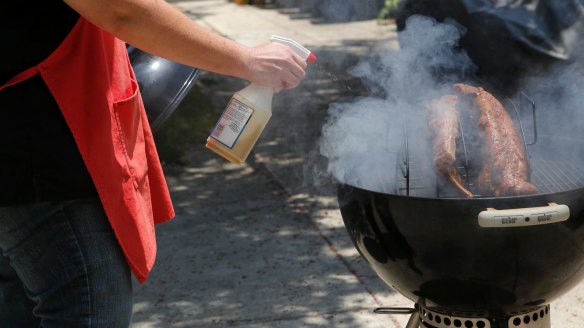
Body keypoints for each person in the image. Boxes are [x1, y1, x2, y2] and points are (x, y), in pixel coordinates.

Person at [0, 0, 307, 327]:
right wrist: (245, 60)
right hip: (40, 147)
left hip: (32, 140)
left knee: (20, 306)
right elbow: (121, 10)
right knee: (88, 308)